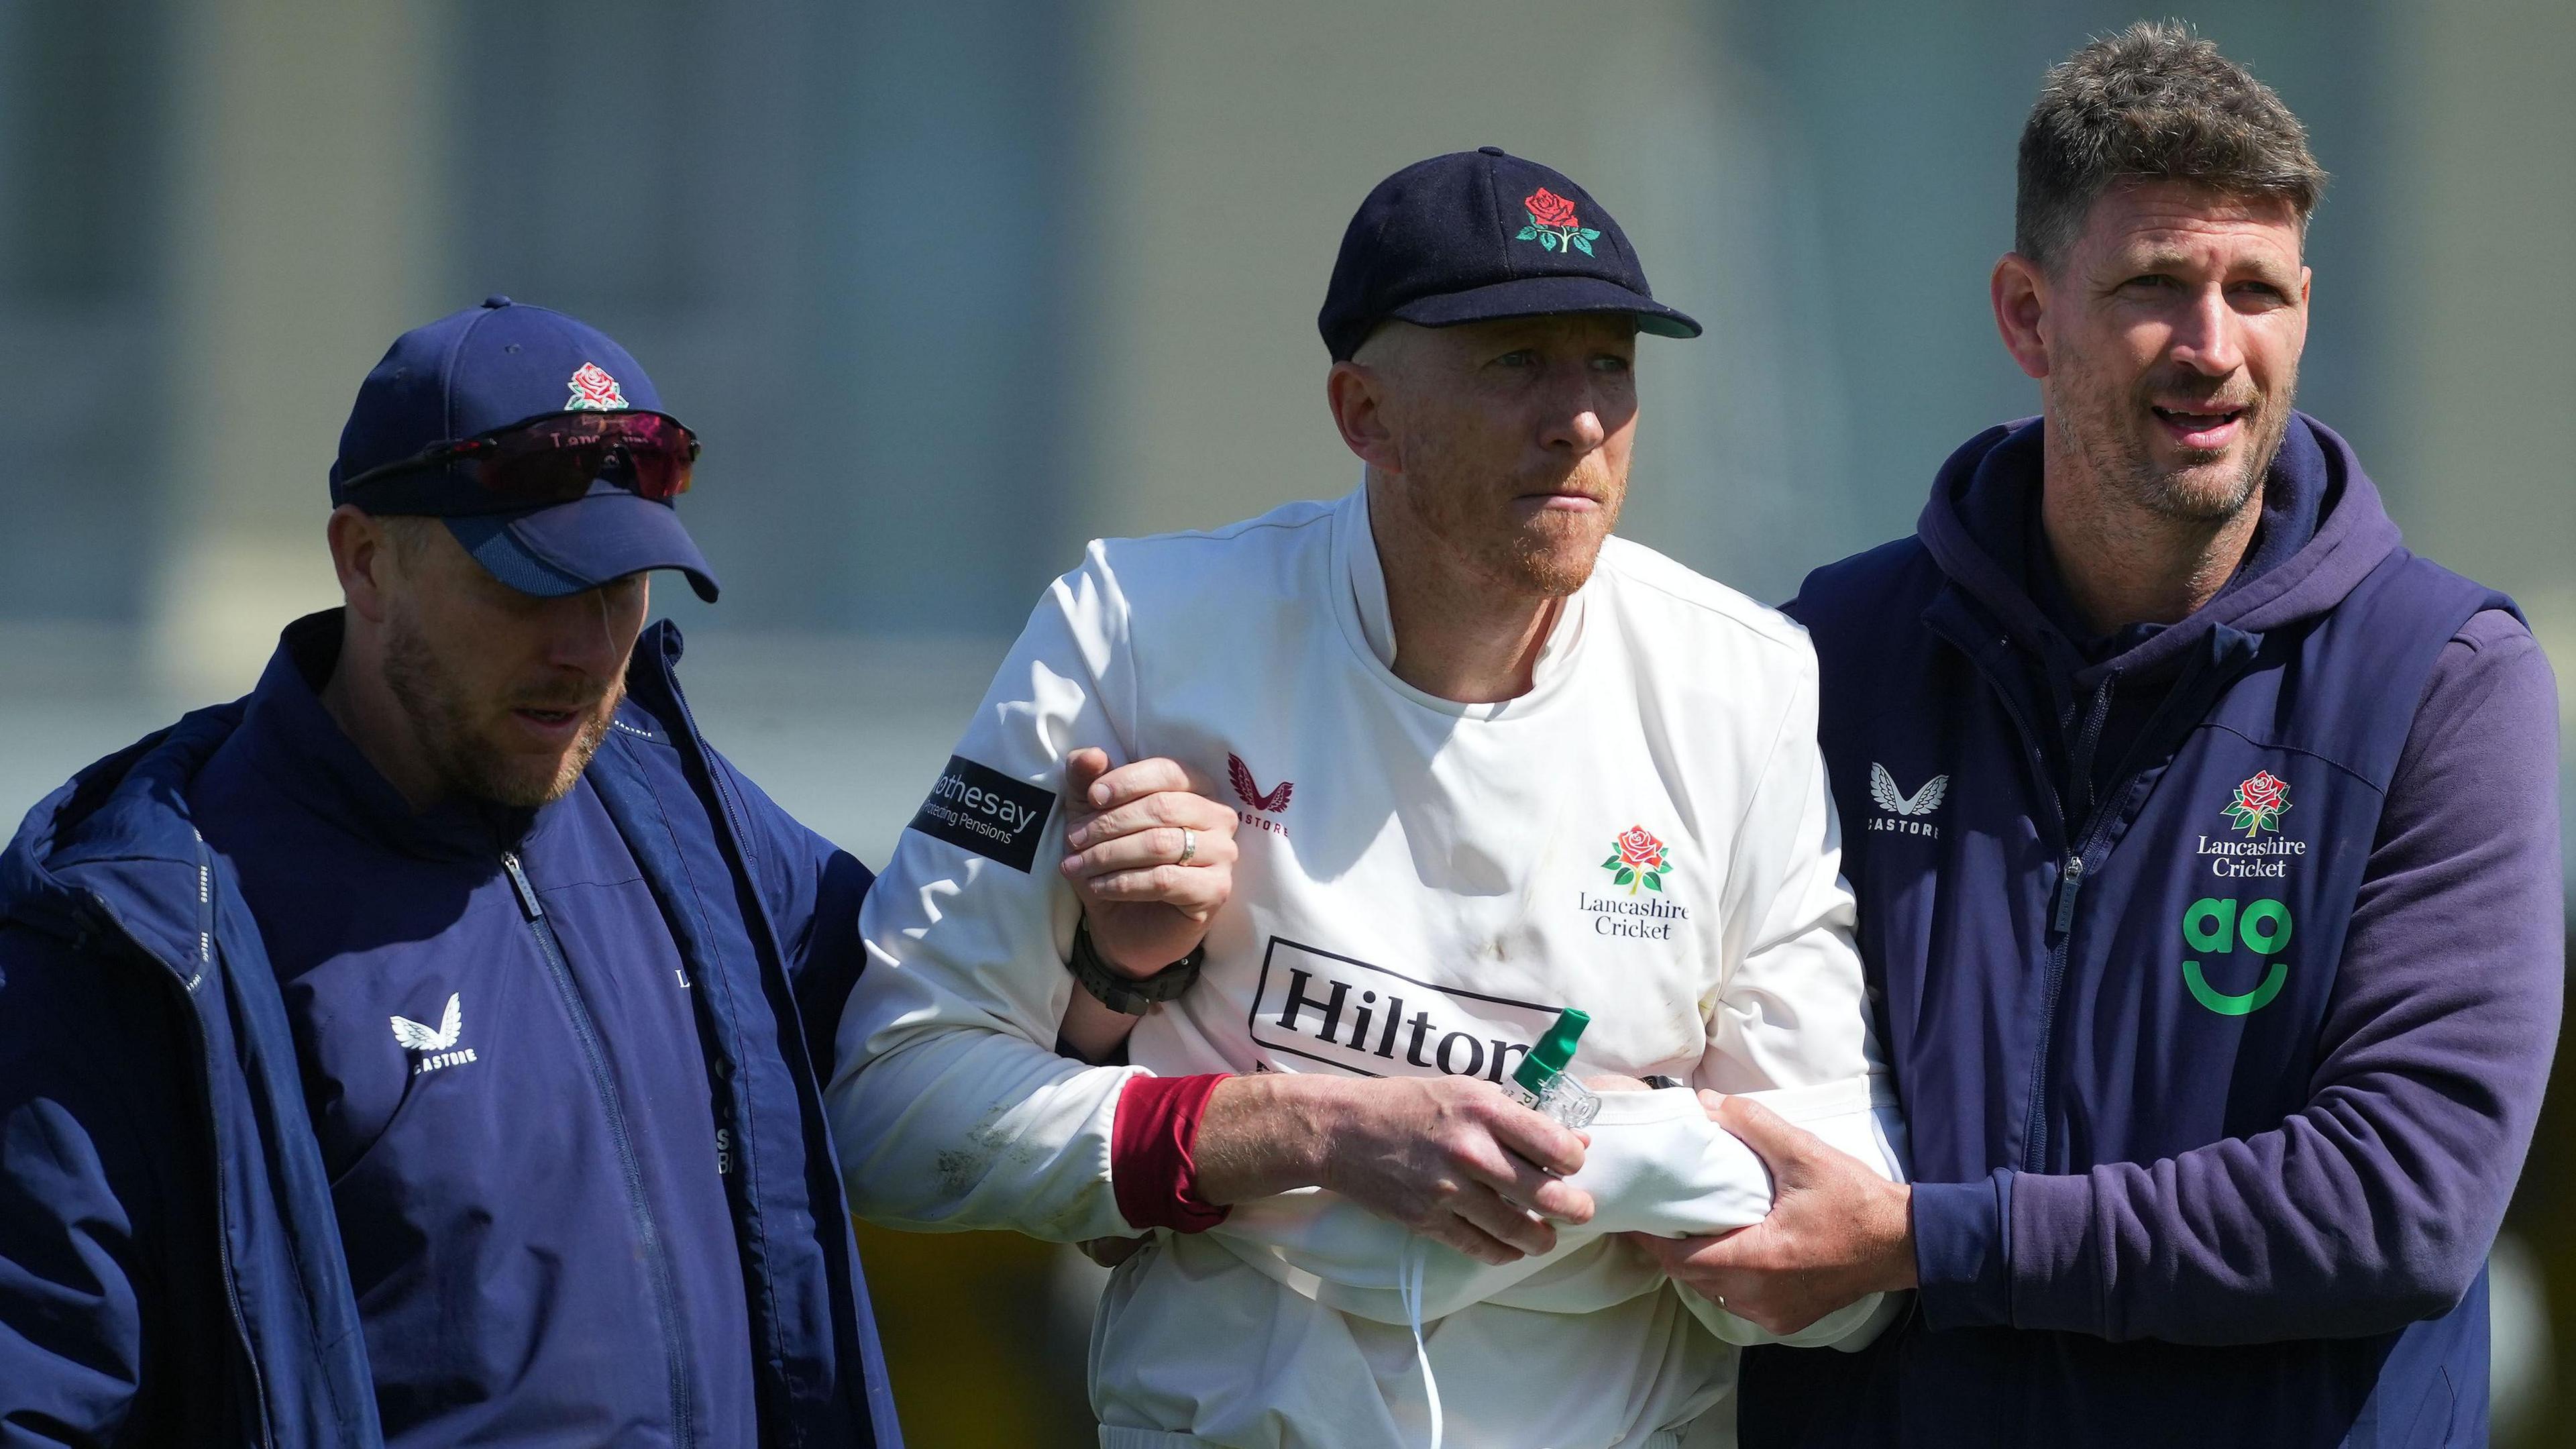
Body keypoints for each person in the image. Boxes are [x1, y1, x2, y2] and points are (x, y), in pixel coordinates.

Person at [828, 148, 1906, 1449]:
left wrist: (1601, 1156)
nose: (1578, 417)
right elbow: (893, 1105)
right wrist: (1307, 1129)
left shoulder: (1741, 680)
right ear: (1364, 413)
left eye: (1609, 363)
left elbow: (1829, 1243)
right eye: (1514, 361)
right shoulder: (1132, 633)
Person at [1648, 25, 2563, 1448]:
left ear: (2304, 310)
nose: (2215, 348)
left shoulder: (2442, 681)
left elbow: (2402, 1205)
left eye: (2256, 291)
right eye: (2155, 288)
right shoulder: (1828, 658)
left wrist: (1934, 1241)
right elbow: (1596, 952)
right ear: (2028, 313)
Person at [0, 298, 909, 1444]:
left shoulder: (671, 804)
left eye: (619, 588)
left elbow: (930, 1003)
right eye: (529, 585)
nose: (584, 650)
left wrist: (1114, 955)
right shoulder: (144, 922)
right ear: (366, 560)